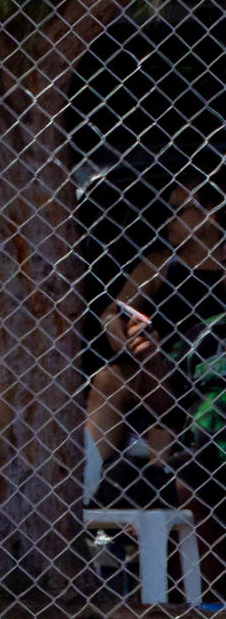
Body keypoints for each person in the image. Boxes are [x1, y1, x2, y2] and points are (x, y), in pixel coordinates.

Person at [85, 174, 226, 479]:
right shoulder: (160, 264)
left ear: (210, 213)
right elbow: (113, 311)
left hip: (214, 367)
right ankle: (85, 480)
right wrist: (123, 336)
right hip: (161, 368)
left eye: (178, 210)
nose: (168, 219)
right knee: (110, 379)